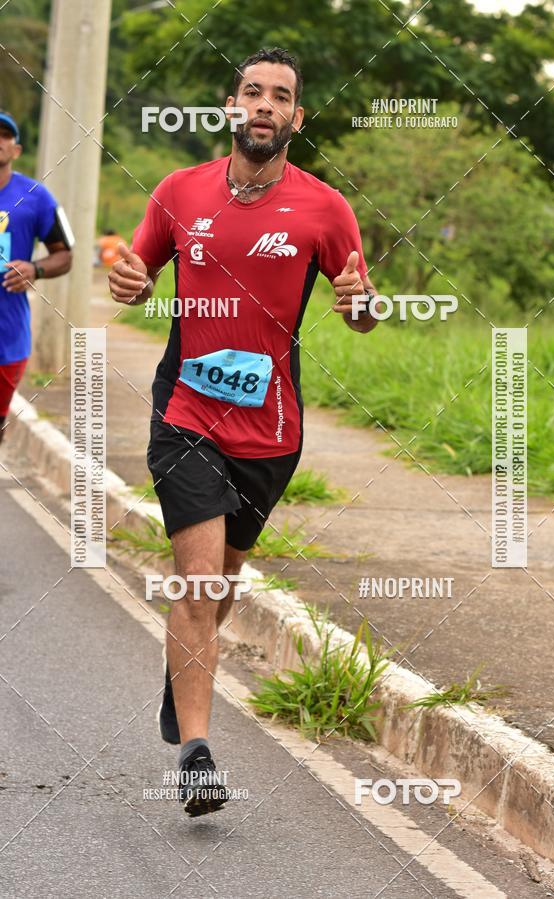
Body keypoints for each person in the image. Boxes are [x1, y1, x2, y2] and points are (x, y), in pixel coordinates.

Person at [108, 47, 378, 817]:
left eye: (280, 96)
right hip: (186, 413)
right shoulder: (178, 191)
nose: (264, 105)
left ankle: (182, 664)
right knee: (197, 582)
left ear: (297, 117)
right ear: (233, 107)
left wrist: (361, 302)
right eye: (252, 92)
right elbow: (137, 272)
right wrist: (130, 280)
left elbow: (361, 313)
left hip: (272, 430)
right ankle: (196, 752)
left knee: (220, 587)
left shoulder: (325, 208)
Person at [0, 112, 74, 443]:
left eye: (4, 135)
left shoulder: (36, 196)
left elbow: (65, 254)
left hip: (7, 335)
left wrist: (35, 269)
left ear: (15, 149)